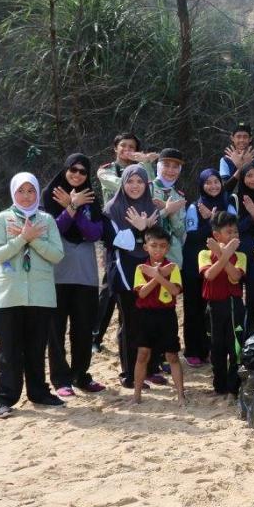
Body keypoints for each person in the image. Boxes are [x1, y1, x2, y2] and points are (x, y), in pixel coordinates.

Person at [0, 173, 66, 417]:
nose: (26, 196)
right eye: (21, 191)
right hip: (8, 295)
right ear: (13, 192)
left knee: (36, 347)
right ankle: (4, 398)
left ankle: (39, 392)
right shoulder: (2, 219)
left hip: (41, 295)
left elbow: (57, 255)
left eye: (30, 191)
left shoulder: (46, 220)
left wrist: (33, 241)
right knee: (9, 348)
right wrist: (23, 237)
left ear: (37, 192)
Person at [42, 154, 106, 397]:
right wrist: (70, 206)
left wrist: (76, 207)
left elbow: (94, 233)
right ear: (65, 169)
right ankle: (60, 379)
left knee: (83, 328)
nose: (77, 175)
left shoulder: (89, 197)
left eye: (82, 171)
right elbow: (53, 229)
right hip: (57, 273)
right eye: (73, 169)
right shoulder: (50, 195)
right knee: (56, 330)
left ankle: (81, 375)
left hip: (85, 274)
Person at [93, 132, 156, 351]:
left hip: (139, 231)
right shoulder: (106, 169)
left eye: (132, 146)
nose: (128, 150)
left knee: (134, 294)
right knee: (109, 288)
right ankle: (96, 335)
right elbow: (126, 184)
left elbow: (150, 187)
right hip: (116, 227)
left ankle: (133, 342)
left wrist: (145, 165)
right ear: (115, 148)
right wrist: (143, 164)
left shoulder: (140, 171)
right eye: (123, 146)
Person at [101, 164, 162, 388]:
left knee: (151, 318)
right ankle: (129, 374)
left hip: (149, 269)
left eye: (139, 181)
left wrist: (146, 228)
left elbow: (158, 242)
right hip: (124, 270)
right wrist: (140, 229)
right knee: (130, 322)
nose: (135, 186)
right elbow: (116, 242)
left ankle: (151, 368)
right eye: (130, 181)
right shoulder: (112, 208)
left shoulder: (150, 206)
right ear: (122, 183)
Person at [185, 168, 237, 368]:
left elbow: (233, 231)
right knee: (193, 308)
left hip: (222, 265)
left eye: (216, 181)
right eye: (208, 183)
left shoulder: (228, 204)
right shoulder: (195, 206)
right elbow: (193, 236)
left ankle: (207, 349)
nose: (213, 186)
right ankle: (193, 350)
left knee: (213, 311)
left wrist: (211, 221)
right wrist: (210, 222)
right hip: (196, 264)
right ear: (202, 185)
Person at [130, 228, 185, 405]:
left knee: (172, 356)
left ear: (168, 248)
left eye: (162, 246)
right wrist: (158, 275)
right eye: (153, 245)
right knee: (142, 354)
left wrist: (157, 275)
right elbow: (142, 293)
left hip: (167, 315)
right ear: (146, 247)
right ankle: (136, 396)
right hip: (145, 316)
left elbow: (175, 290)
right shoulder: (141, 268)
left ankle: (181, 395)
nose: (158, 250)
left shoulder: (173, 267)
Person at [198, 211, 246, 396]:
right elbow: (209, 275)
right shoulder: (204, 253)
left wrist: (220, 253)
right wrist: (222, 254)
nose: (234, 236)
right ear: (216, 235)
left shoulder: (241, 256)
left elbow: (235, 276)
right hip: (213, 306)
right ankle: (219, 385)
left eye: (236, 232)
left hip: (233, 305)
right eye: (229, 232)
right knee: (216, 346)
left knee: (234, 346)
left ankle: (234, 386)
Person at [229, 162, 254, 337]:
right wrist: (253, 215)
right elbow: (233, 229)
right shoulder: (234, 199)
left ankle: (250, 336)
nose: (253, 179)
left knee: (253, 298)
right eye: (249, 175)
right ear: (242, 178)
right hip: (237, 255)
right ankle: (234, 336)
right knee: (235, 299)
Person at [150, 148, 188, 269]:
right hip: (148, 254)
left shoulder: (179, 196)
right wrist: (166, 210)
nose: (171, 170)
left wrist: (172, 215)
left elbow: (180, 232)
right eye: (166, 165)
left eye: (175, 167)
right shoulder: (146, 189)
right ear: (158, 167)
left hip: (173, 256)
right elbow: (144, 224)